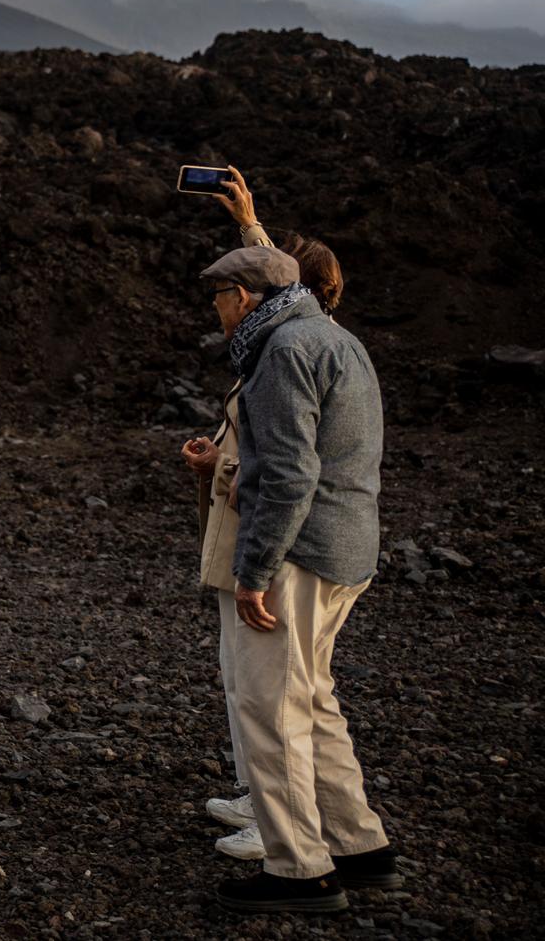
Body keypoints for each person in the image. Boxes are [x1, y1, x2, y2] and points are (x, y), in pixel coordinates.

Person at [198, 244, 394, 915]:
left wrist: (253, 571)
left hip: (298, 556)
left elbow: (288, 476)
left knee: (271, 706)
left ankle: (299, 868)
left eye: (219, 295)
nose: (216, 309)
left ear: (245, 296)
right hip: (347, 547)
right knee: (312, 699)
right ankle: (360, 844)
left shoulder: (281, 351)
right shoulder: (332, 337)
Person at [178, 170, 354, 864]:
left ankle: (285, 830)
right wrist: (247, 220)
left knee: (274, 692)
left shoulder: (294, 346)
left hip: (275, 541)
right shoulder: (284, 343)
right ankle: (270, 802)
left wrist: (224, 475)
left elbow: (286, 464)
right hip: (254, 530)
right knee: (251, 681)